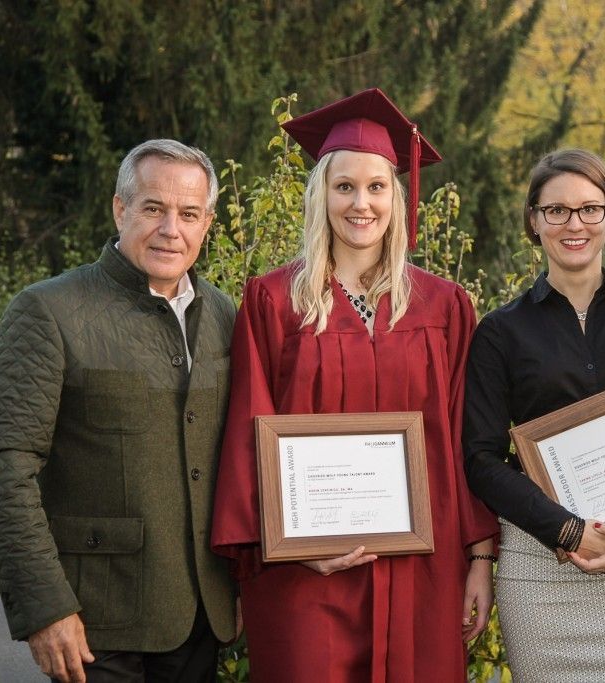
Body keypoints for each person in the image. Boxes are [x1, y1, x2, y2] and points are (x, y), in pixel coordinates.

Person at [209, 88, 499, 683]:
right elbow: (247, 430)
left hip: (423, 564)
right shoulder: (273, 301)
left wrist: (479, 558)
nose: (360, 203)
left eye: (376, 186)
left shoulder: (444, 306)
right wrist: (286, 542)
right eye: (344, 186)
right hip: (305, 572)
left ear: (397, 195)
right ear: (321, 197)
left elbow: (468, 436)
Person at [0, 139, 238, 682]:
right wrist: (45, 606)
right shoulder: (47, 311)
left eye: (188, 214)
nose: (171, 229)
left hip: (202, 622)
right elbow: (1, 465)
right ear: (120, 209)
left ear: (207, 223)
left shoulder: (225, 316)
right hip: (96, 627)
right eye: (153, 209)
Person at [463, 149, 605, 681]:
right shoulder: (500, 332)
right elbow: (481, 457)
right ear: (534, 222)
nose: (574, 224)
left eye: (590, 208)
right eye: (556, 210)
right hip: (540, 570)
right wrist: (565, 531)